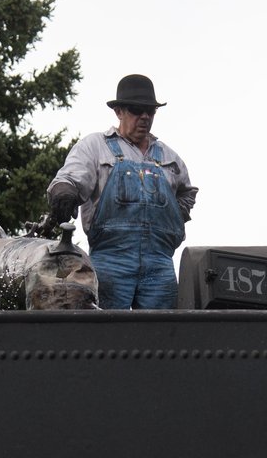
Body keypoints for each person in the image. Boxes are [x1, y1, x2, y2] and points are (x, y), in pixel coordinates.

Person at [46, 74, 198, 309]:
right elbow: (70, 177)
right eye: (137, 110)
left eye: (150, 111)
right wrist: (64, 191)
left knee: (162, 335)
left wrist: (176, 215)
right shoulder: (95, 146)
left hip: (159, 264)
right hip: (110, 261)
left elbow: (187, 193)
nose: (145, 117)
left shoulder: (170, 158)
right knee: (106, 334)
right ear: (118, 111)